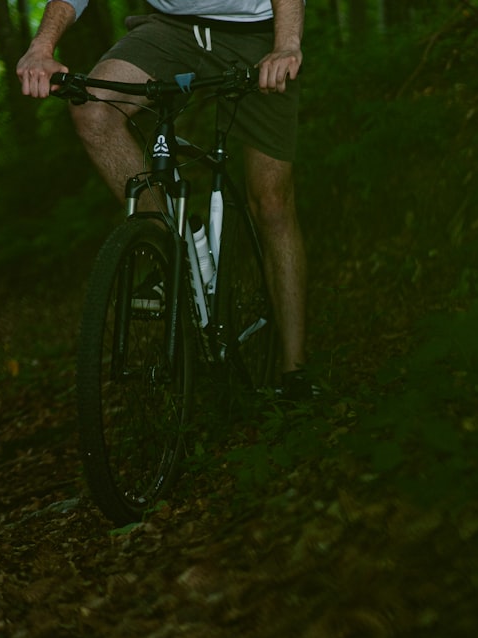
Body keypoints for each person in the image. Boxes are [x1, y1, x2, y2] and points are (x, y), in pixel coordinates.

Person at [17, 0, 312, 399]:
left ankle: (295, 372)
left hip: (257, 33)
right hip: (171, 30)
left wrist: (287, 43)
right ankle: (169, 241)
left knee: (273, 203)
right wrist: (41, 48)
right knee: (93, 111)